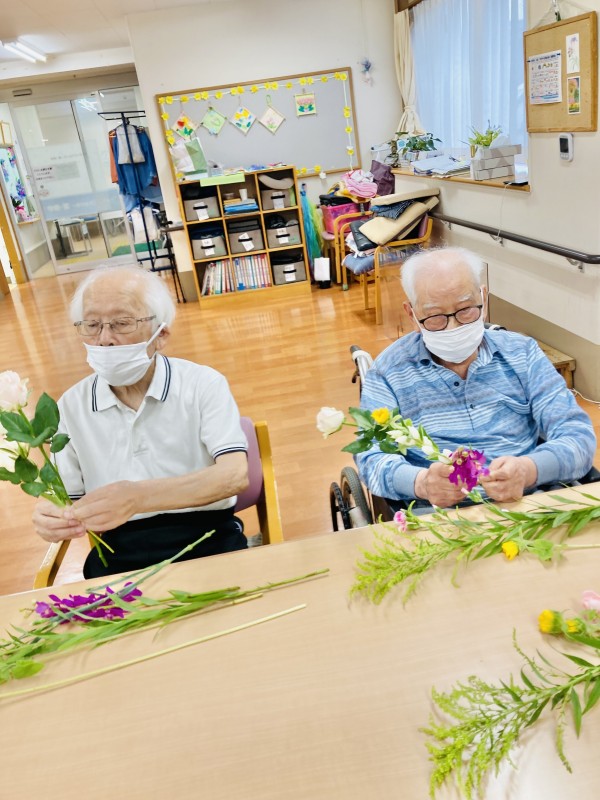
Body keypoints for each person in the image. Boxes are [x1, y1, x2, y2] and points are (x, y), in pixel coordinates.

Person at [32, 264, 249, 577]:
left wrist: (138, 497)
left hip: (210, 539)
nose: (105, 339)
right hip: (120, 551)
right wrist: (52, 517)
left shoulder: (203, 384)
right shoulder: (70, 406)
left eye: (121, 323)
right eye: (92, 325)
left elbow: (234, 474)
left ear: (161, 335)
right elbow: (69, 499)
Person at [356, 247, 596, 509]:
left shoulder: (522, 354)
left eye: (465, 309)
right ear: (412, 314)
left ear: (484, 298)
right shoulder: (388, 372)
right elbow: (371, 458)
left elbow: (578, 437)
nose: (453, 327)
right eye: (435, 317)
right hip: (440, 517)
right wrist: (422, 482)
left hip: (529, 505)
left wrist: (528, 470)